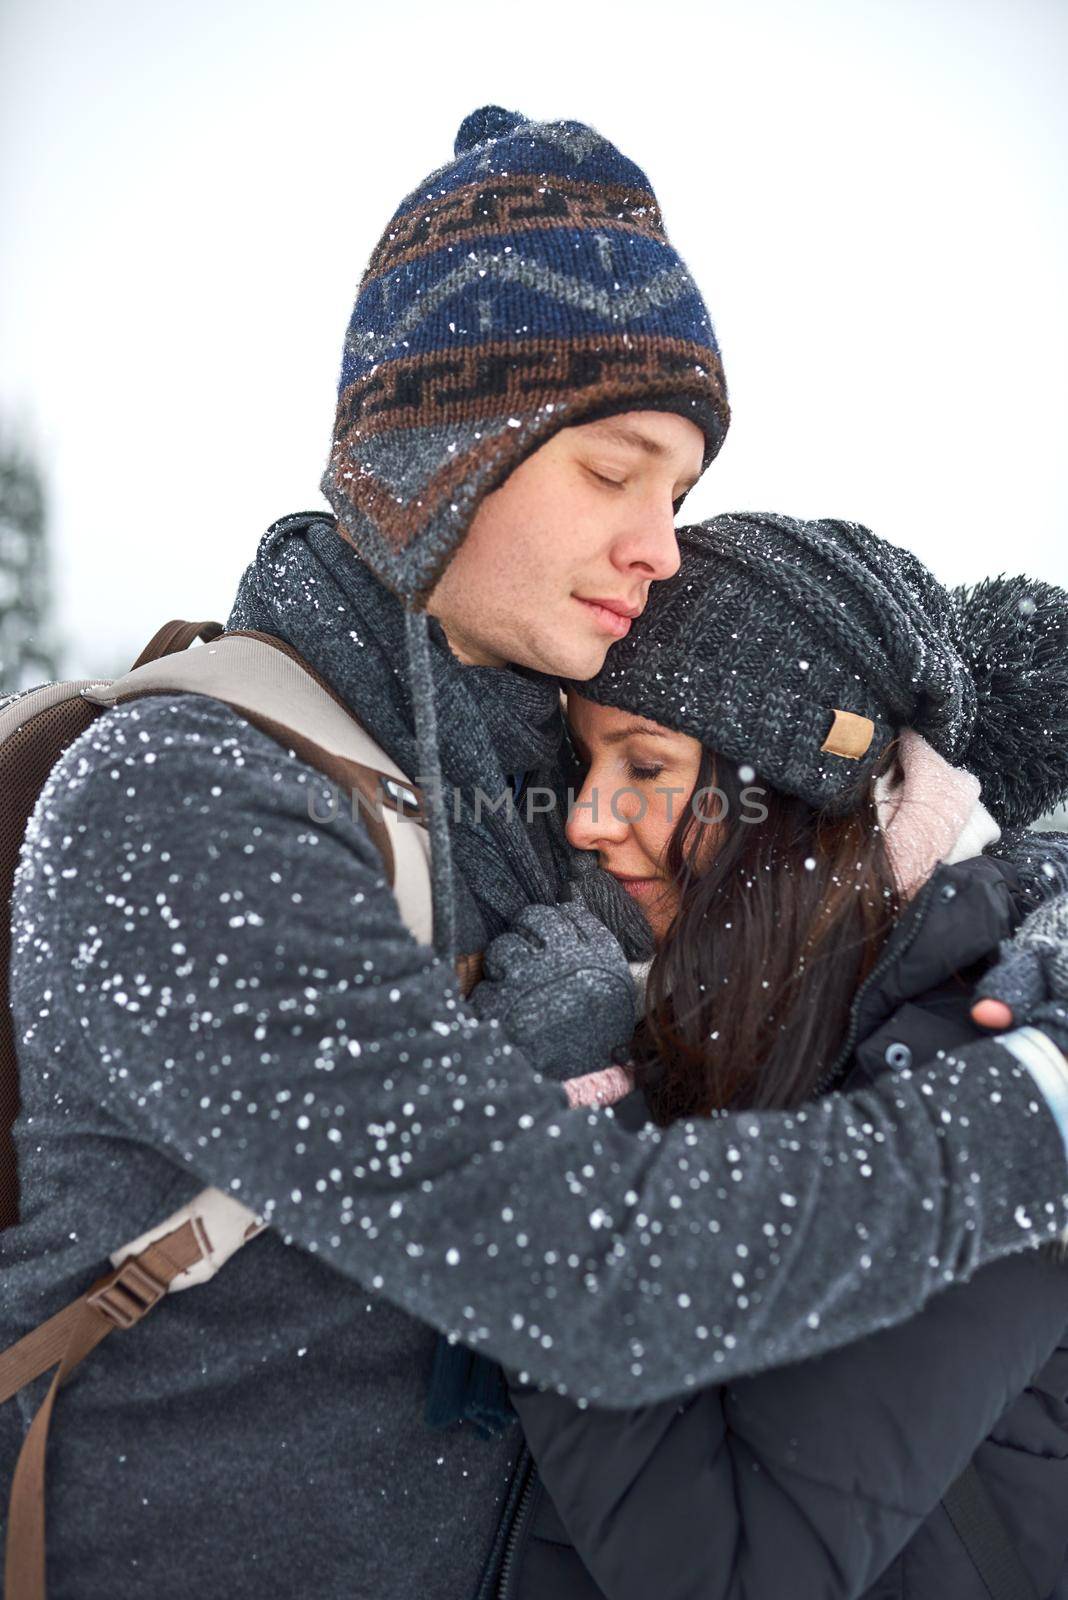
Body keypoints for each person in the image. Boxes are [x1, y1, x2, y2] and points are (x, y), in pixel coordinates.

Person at [3, 108, 1068, 1600]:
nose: (664, 545)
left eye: (679, 493)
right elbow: (591, 1274)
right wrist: (1032, 1109)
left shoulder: (539, 773)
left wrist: (1043, 904)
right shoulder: (189, 804)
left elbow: (890, 709)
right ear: (447, 456)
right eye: (615, 472)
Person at [502, 513, 1068, 1599]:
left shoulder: (983, 1057)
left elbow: (727, 1569)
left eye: (646, 761)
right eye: (587, 761)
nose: (583, 818)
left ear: (795, 800)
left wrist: (572, 1128)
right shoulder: (742, 1009)